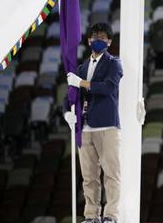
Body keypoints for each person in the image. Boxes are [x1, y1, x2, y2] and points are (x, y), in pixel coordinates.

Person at [63, 22, 123, 223]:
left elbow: (108, 87)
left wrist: (81, 83)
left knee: (111, 173)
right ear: (89, 40)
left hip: (107, 126)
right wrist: (66, 113)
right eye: (96, 37)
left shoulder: (114, 63)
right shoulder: (81, 67)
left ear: (110, 41)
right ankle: (91, 215)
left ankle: (111, 215)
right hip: (85, 128)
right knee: (89, 177)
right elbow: (69, 96)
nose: (99, 41)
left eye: (104, 38)